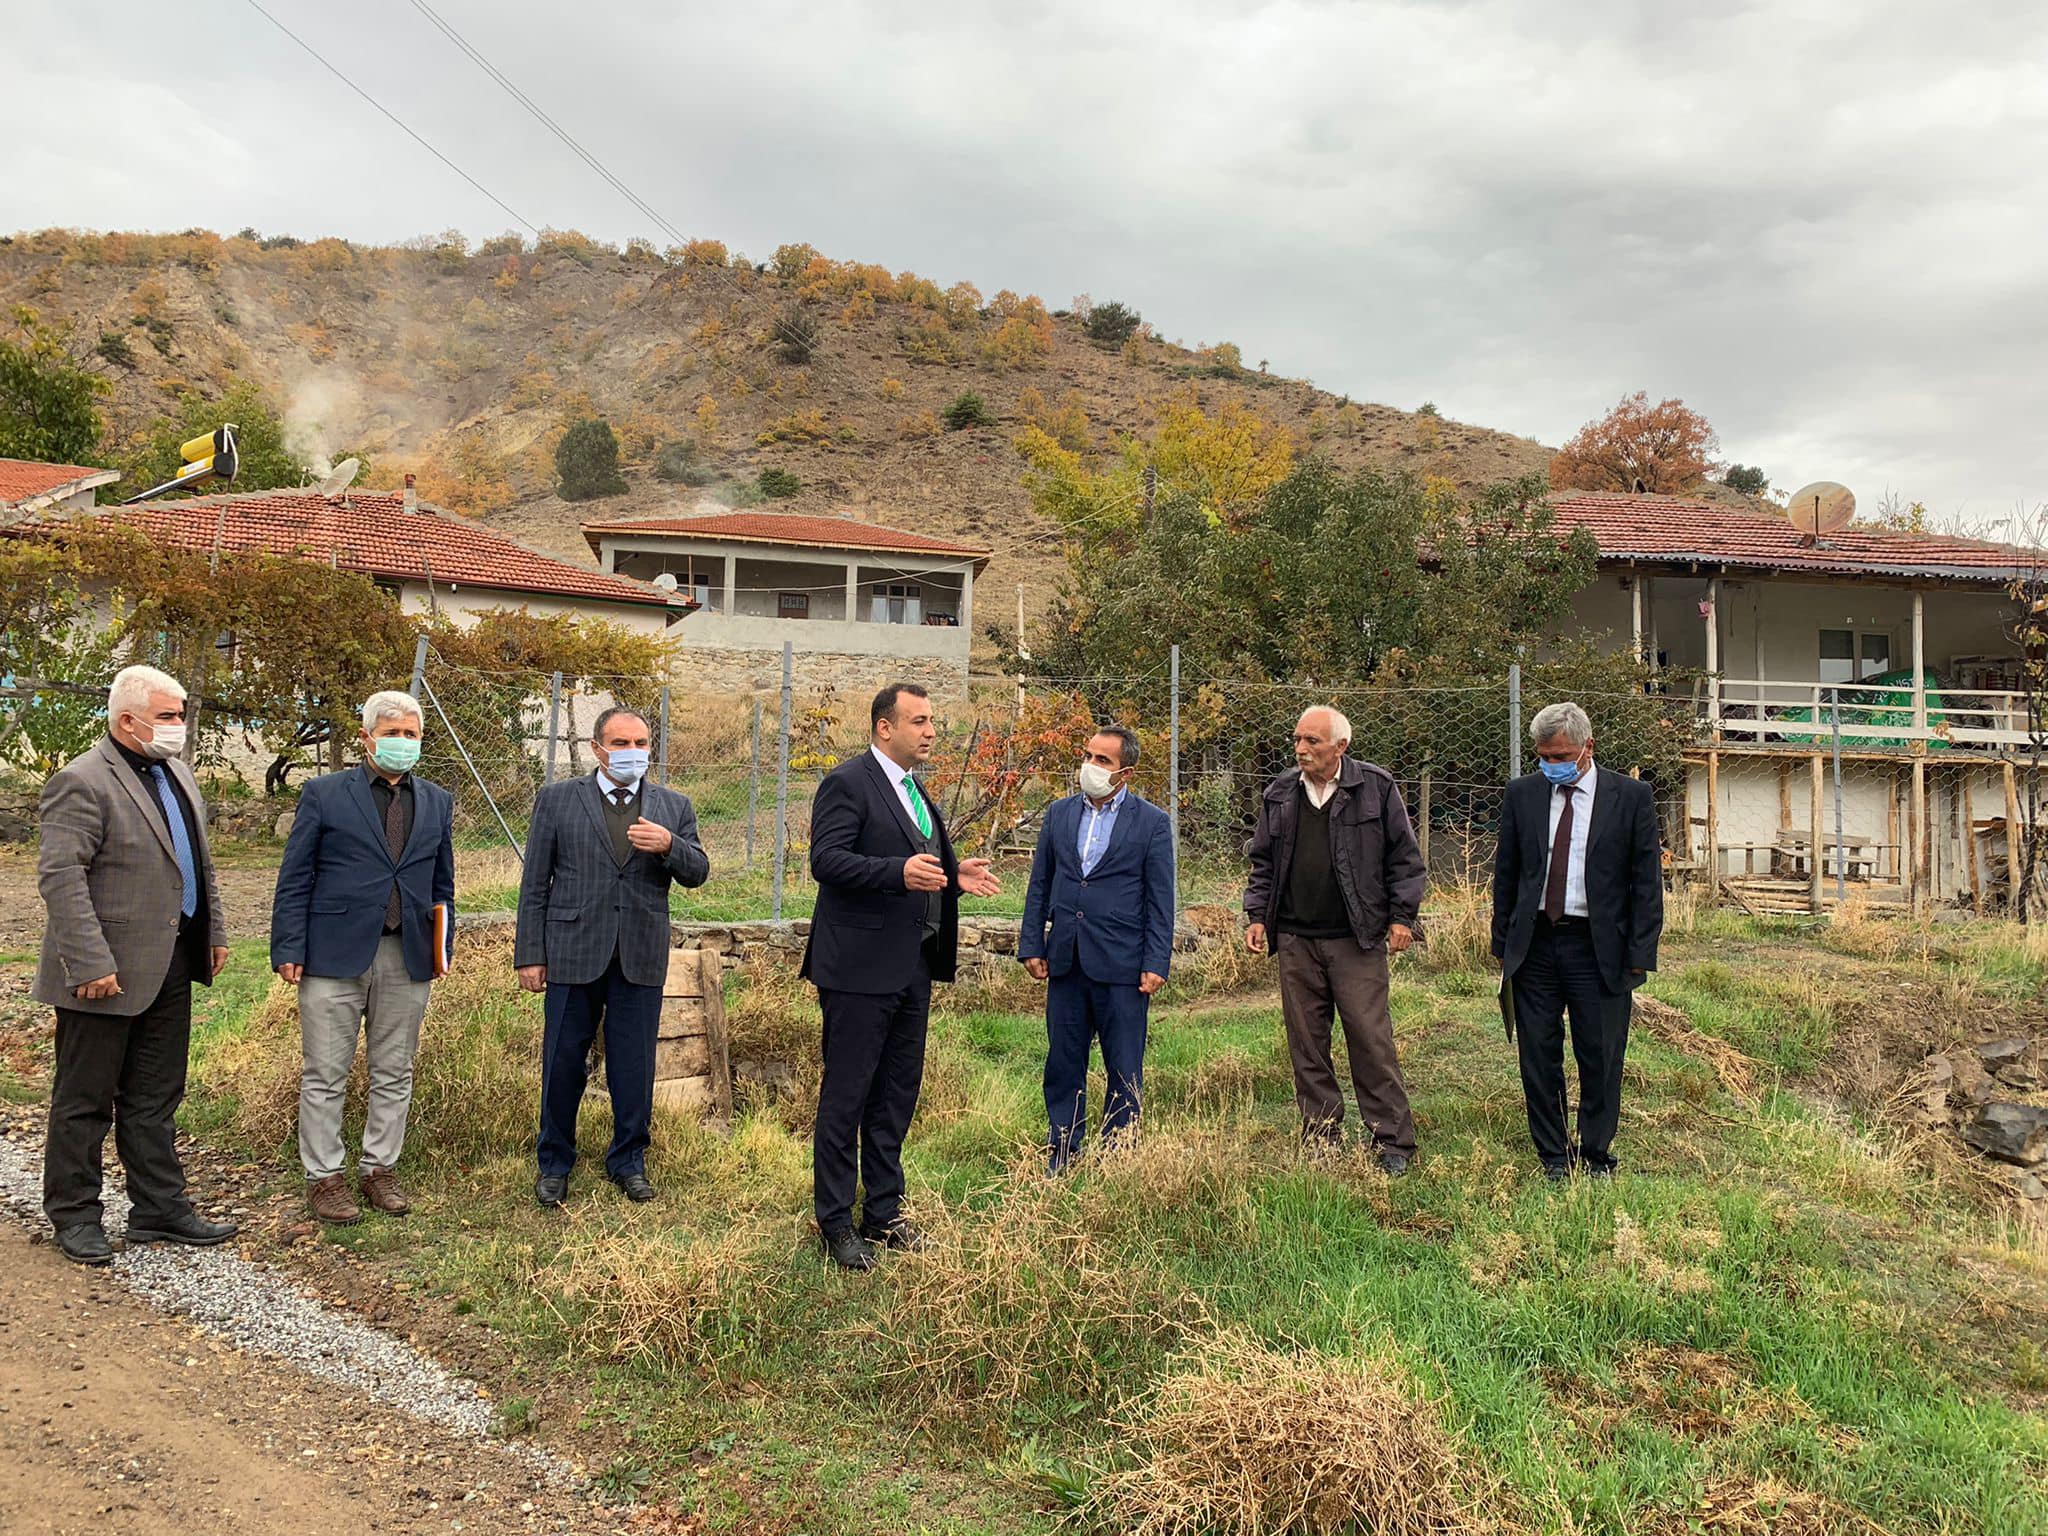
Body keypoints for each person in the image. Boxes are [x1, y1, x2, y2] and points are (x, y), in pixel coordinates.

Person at [35, 665, 235, 1265]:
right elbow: (61, 878)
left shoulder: (175, 771)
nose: (180, 727)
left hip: (171, 961)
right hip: (104, 972)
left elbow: (196, 863)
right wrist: (89, 962)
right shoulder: (82, 780)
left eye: (179, 715)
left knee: (155, 1094)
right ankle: (75, 1214)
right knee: (85, 1098)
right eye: (169, 717)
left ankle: (158, 1208)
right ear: (128, 721)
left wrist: (214, 931)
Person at [803, 682, 1000, 1271]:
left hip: (912, 968)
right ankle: (835, 1222)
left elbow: (921, 860)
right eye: (919, 720)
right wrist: (896, 872)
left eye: (932, 720)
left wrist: (951, 869)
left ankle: (884, 1214)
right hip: (859, 970)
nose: (932, 730)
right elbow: (825, 860)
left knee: (894, 1097)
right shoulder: (847, 783)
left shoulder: (915, 790)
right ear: (884, 727)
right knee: (847, 1096)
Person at [271, 690, 455, 1224]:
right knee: (326, 1072)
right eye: (393, 733)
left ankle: (380, 1170)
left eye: (412, 734)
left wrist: (442, 945)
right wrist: (288, 946)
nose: (403, 743)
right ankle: (324, 1177)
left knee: (394, 1070)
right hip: (332, 954)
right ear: (366, 737)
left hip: (408, 953)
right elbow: (296, 876)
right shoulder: (325, 794)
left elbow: (442, 882)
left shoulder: (438, 801)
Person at [516, 706, 709, 1208]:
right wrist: (529, 955)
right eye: (621, 744)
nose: (633, 753)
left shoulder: (673, 805)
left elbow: (698, 871)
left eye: (641, 743)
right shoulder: (558, 800)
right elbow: (535, 883)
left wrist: (669, 846)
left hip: (640, 952)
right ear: (598, 748)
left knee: (634, 1065)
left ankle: (629, 1160)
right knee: (562, 1062)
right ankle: (554, 1162)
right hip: (573, 951)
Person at [1244, 706, 1426, 1174]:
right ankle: (1321, 1137)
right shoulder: (1280, 793)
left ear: (1340, 747)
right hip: (1296, 940)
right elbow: (1262, 861)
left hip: (1357, 940)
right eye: (1298, 739)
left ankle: (1392, 1142)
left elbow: (1405, 859)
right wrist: (1257, 915)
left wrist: (1402, 917)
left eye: (1313, 741)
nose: (1301, 749)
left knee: (1370, 1040)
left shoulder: (1376, 788)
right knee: (1307, 1044)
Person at [1491, 701, 1663, 1180]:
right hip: (1536, 947)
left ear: (1588, 748)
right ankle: (1553, 1156)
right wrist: (1502, 944)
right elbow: (1507, 874)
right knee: (1538, 1054)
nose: (1552, 765)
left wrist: (1640, 954)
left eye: (1561, 755)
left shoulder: (1630, 797)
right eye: (1544, 756)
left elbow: (1646, 883)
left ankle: (1595, 1154)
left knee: (1601, 1054)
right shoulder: (1523, 794)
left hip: (1599, 948)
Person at [1018, 724, 1174, 1171]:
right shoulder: (1060, 814)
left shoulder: (1151, 823)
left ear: (1125, 772)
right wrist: (1033, 944)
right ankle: (1062, 1149)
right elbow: (1040, 883)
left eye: (1102, 760)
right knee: (1064, 1062)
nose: (1090, 766)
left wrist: (1155, 961)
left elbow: (1160, 899)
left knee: (1124, 1065)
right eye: (1088, 755)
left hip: (1123, 965)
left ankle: (1117, 1154)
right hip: (1066, 959)